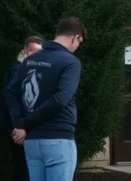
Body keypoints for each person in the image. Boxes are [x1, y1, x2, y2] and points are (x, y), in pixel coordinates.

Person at [7, 17, 86, 181]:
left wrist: (19, 123)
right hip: (59, 139)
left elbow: (11, 92)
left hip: (32, 143)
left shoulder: (30, 60)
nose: (77, 47)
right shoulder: (70, 62)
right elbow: (60, 100)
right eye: (80, 42)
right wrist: (24, 123)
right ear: (75, 38)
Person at [3, 36, 44, 181]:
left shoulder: (20, 70)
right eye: (33, 51)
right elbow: (13, 100)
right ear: (26, 52)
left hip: (21, 128)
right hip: (21, 130)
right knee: (25, 171)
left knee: (25, 170)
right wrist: (19, 127)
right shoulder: (19, 71)